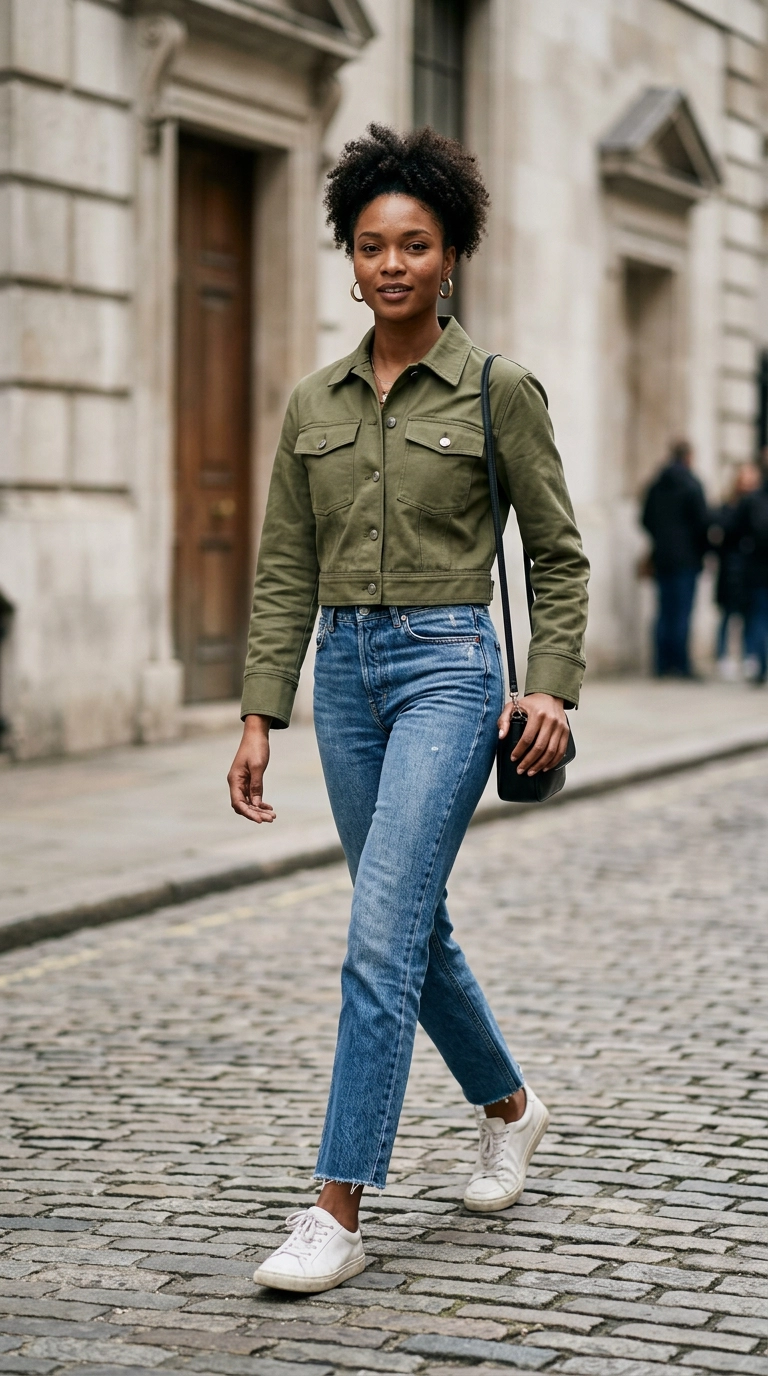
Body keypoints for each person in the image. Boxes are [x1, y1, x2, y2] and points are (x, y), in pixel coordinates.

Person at [227, 124, 589, 1294]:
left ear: (450, 256)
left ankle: (337, 1203)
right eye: (373, 244)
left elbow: (561, 556)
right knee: (413, 928)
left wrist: (552, 685)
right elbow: (285, 566)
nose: (392, 263)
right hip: (344, 674)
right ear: (349, 256)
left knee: (378, 933)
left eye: (416, 244)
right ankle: (513, 1104)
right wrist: (257, 712)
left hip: (449, 670)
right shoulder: (310, 404)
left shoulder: (499, 390)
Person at [641, 440, 709, 678]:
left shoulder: (656, 485)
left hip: (662, 557)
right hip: (686, 559)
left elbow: (645, 519)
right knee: (682, 613)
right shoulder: (692, 485)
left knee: (663, 612)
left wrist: (661, 539)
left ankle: (661, 664)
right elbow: (703, 523)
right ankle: (681, 665)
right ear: (688, 457)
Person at [709, 463, 761, 678]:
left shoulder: (759, 503)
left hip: (752, 568)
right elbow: (720, 533)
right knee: (728, 614)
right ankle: (723, 657)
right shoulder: (729, 506)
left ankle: (751, 656)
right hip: (731, 567)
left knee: (751, 614)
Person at [735, 463, 768, 685]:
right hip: (757, 570)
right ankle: (758, 663)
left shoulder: (751, 500)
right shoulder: (751, 501)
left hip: (756, 569)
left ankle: (757, 663)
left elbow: (734, 531)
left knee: (757, 617)